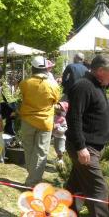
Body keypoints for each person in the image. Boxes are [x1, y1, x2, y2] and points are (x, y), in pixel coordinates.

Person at [65, 55, 109, 216]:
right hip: (86, 149)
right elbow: (73, 117)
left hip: (92, 147)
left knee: (75, 187)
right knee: (99, 189)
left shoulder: (98, 85)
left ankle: (64, 212)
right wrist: (81, 147)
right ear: (100, 71)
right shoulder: (83, 86)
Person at [19, 56, 60, 186]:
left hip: (27, 120)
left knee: (29, 149)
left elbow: (23, 97)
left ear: (32, 68)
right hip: (45, 122)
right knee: (41, 151)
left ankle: (32, 178)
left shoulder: (25, 83)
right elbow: (56, 100)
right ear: (46, 69)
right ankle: (33, 181)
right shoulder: (53, 85)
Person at [52, 101, 68, 167]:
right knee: (56, 147)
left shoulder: (63, 119)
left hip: (61, 136)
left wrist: (57, 127)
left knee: (60, 148)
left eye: (58, 109)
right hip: (55, 135)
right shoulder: (54, 116)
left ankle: (61, 160)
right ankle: (59, 157)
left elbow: (64, 128)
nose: (56, 110)